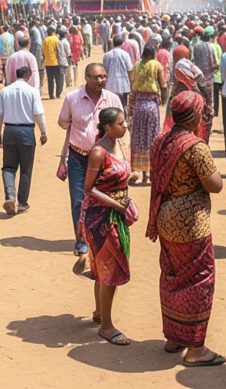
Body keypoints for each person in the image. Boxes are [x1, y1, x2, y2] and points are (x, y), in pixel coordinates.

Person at [146, 90, 226, 367]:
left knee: (172, 275)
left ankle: (174, 337)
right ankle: (195, 348)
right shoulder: (195, 146)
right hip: (191, 223)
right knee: (199, 279)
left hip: (164, 217)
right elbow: (215, 185)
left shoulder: (160, 141)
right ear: (195, 116)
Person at [59, 63, 124, 273]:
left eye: (104, 76)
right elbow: (62, 123)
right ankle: (82, 244)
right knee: (79, 201)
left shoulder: (113, 99)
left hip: (106, 159)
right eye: (96, 77)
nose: (101, 80)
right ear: (86, 78)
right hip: (79, 157)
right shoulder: (72, 98)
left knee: (105, 200)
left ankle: (101, 237)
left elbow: (122, 127)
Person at [80, 107, 135, 346]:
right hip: (100, 218)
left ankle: (99, 313)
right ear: (108, 127)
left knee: (103, 268)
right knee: (109, 270)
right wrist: (118, 204)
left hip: (117, 214)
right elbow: (89, 188)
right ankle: (106, 327)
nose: (125, 127)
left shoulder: (121, 145)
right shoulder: (98, 153)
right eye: (121, 124)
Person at [0, 65, 48, 216]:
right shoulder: (32, 91)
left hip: (9, 131)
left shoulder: (5, 91)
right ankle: (22, 202)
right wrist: (43, 132)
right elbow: (38, 113)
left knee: (8, 167)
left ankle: (10, 196)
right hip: (26, 132)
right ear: (28, 75)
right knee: (26, 169)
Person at [127, 44, 166, 184]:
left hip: (138, 106)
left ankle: (144, 175)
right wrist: (164, 100)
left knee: (140, 139)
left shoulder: (136, 65)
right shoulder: (156, 65)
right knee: (152, 138)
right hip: (151, 106)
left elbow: (132, 86)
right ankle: (151, 173)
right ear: (153, 53)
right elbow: (163, 85)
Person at [102, 34, 134, 110]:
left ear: (113, 43)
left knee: (111, 105)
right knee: (123, 105)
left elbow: (105, 71)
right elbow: (130, 70)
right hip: (123, 85)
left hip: (110, 84)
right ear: (122, 43)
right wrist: (132, 84)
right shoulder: (125, 55)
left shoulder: (107, 55)